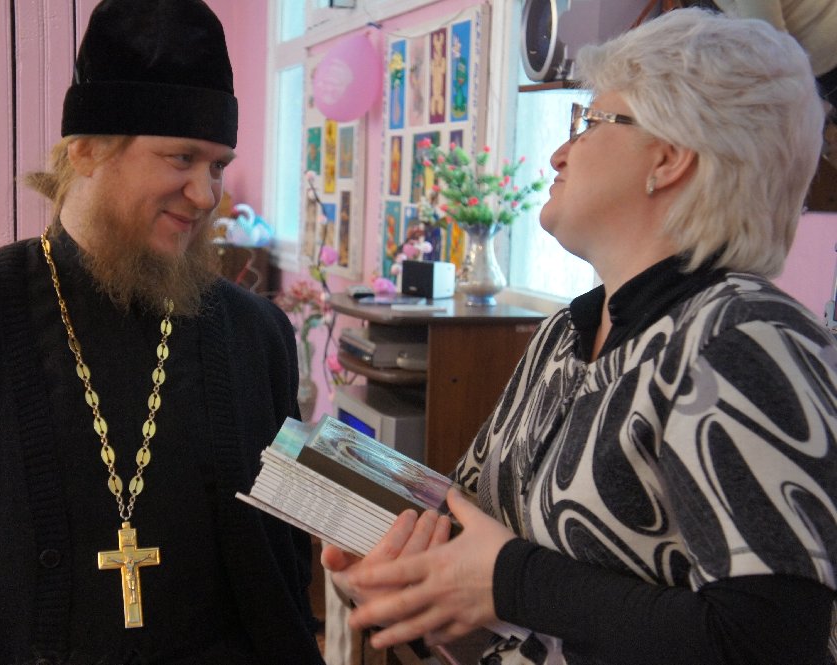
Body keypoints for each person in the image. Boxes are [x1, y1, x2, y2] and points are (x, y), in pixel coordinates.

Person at [324, 8, 837, 665]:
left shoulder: (744, 338)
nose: (559, 152)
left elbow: (769, 642)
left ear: (669, 157)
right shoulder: (565, 334)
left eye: (591, 122)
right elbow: (482, 562)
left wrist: (508, 581)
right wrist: (409, 583)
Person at [0, 1, 324, 663]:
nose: (206, 194)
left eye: (217, 165)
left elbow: (287, 554)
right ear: (87, 149)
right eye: (182, 157)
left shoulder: (257, 334)